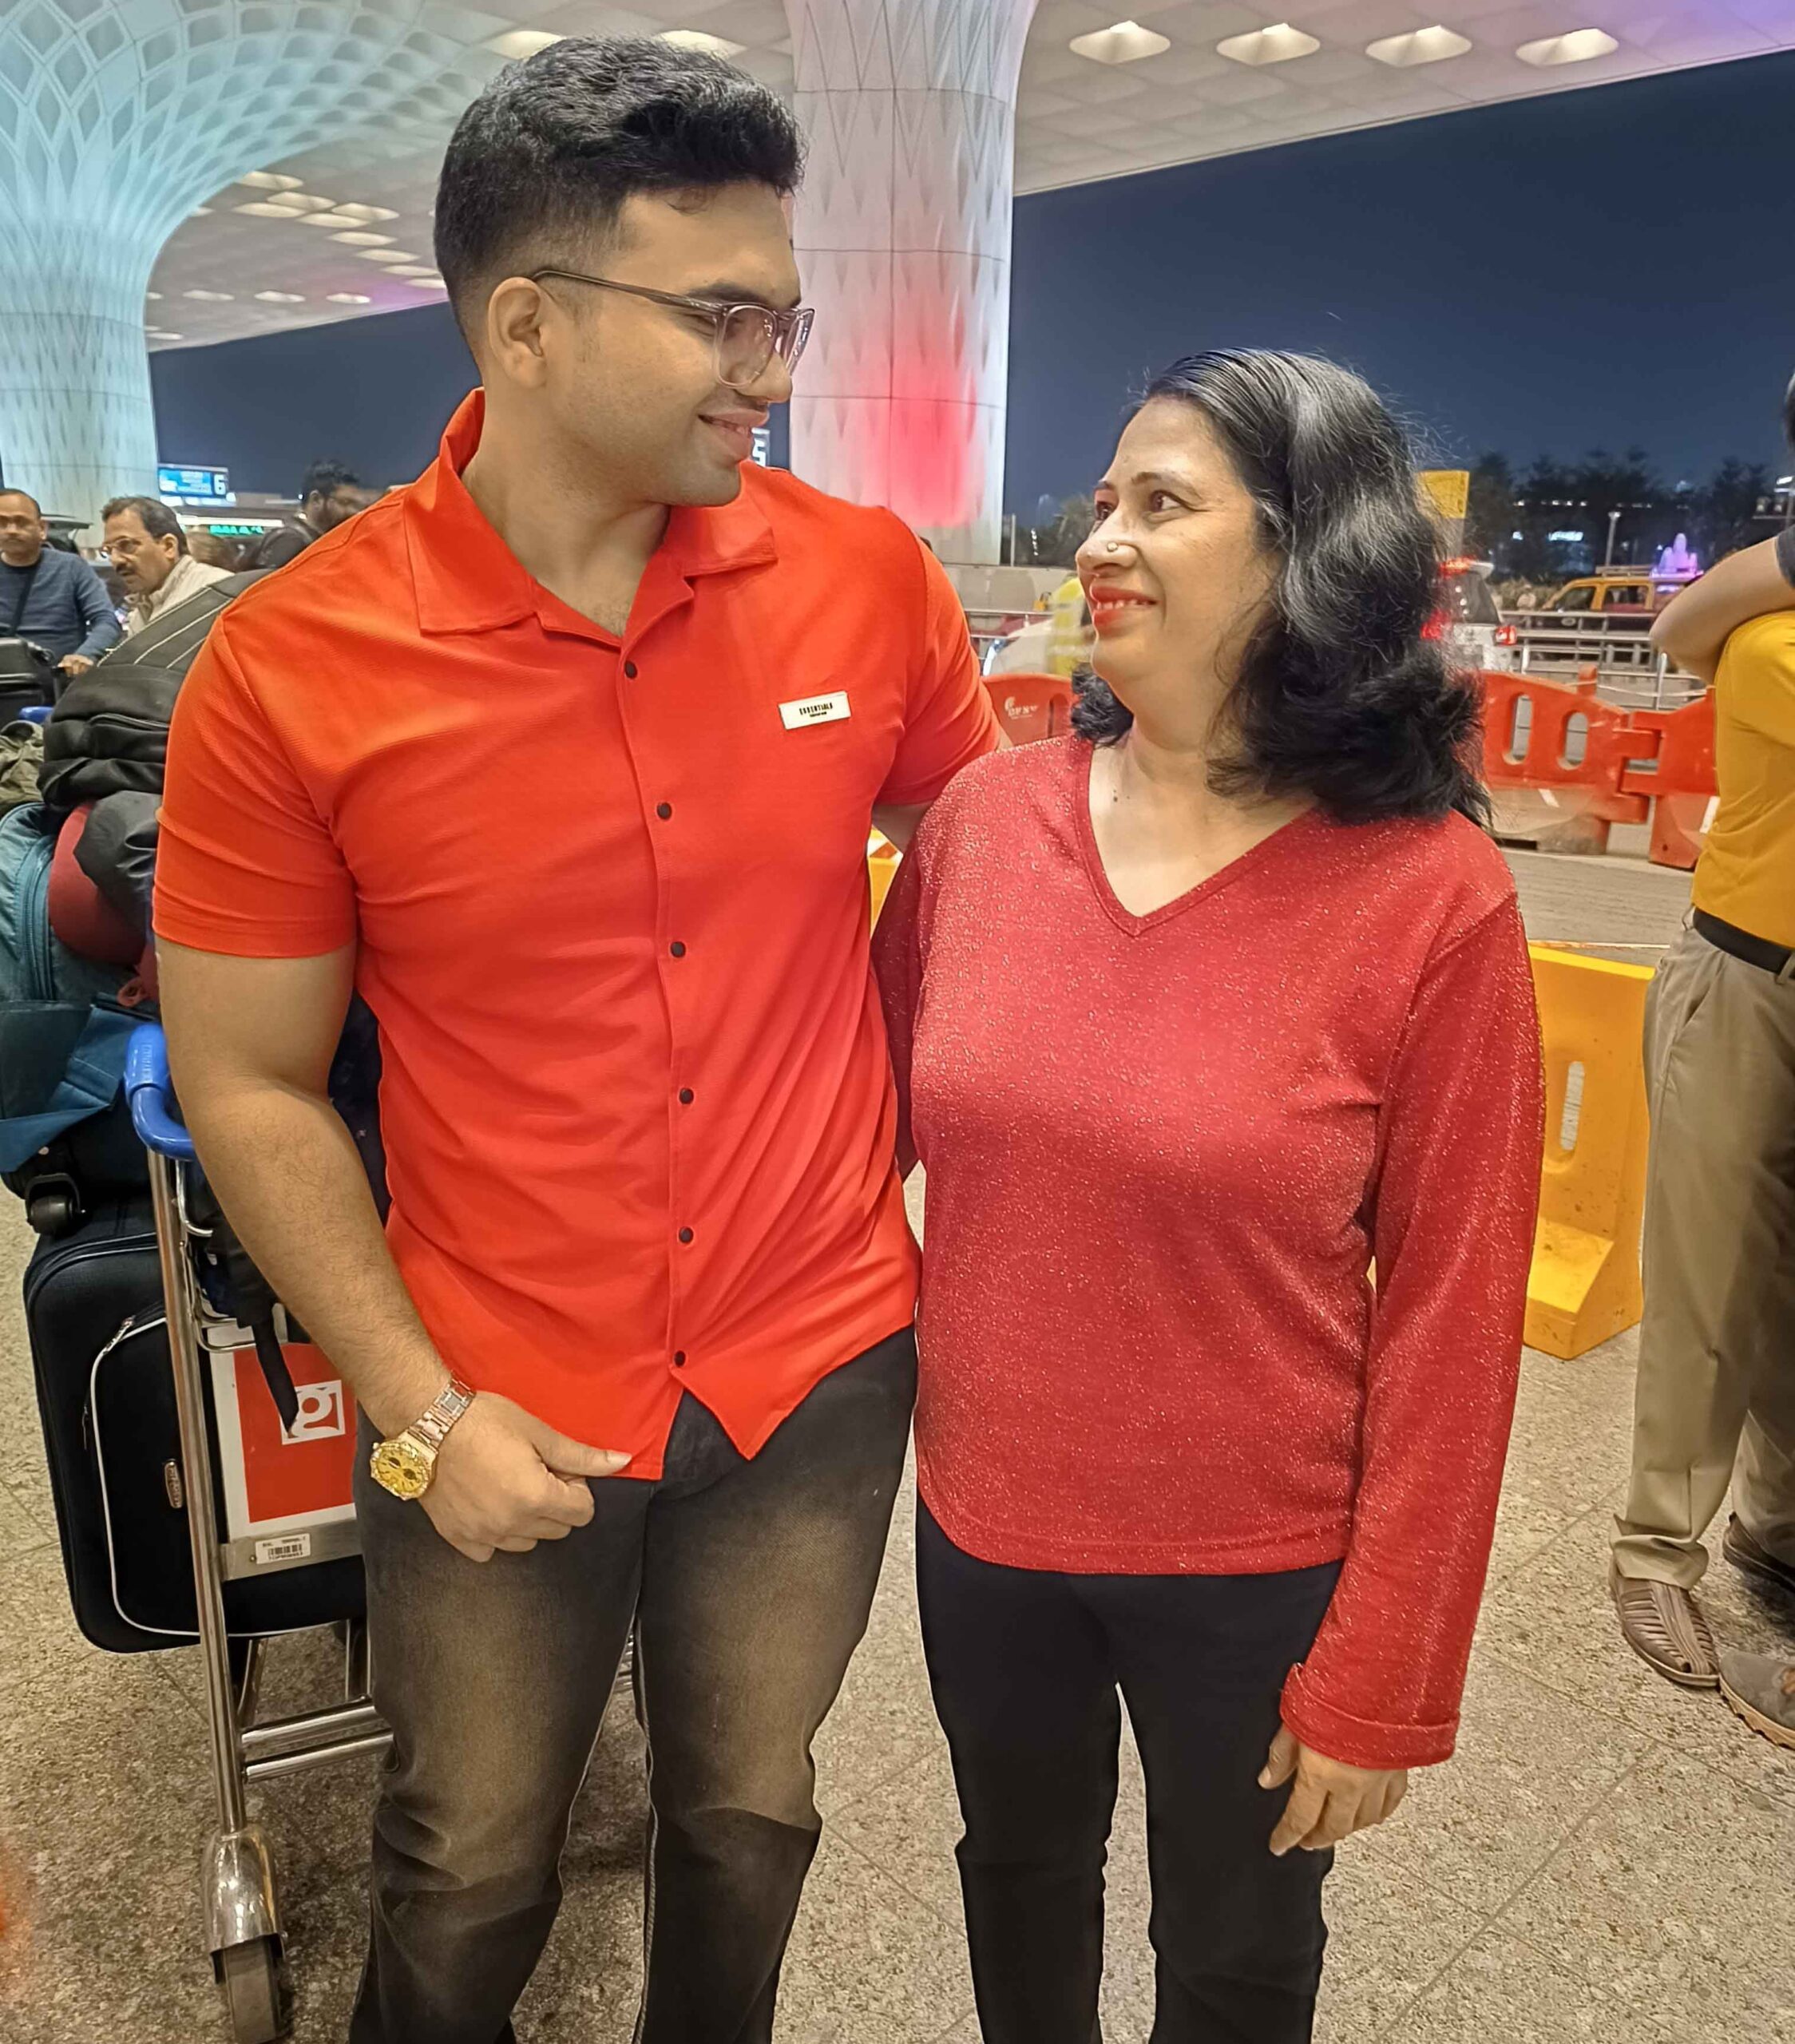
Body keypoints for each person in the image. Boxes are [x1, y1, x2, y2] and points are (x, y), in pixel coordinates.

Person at [153, 35, 998, 2044]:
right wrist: (418, 1403)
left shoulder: (865, 582)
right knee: (467, 1852)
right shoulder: (293, 664)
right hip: (494, 1373)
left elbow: (1003, 874)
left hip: (814, 1365)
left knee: (746, 1811)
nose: (767, 365)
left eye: (783, 314)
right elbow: (248, 1076)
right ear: (523, 321)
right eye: (720, 314)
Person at [874, 350, 1545, 2043]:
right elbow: (841, 1130)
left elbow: (1459, 1307)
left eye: (1160, 504)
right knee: (1015, 1880)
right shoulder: (982, 823)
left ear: (1307, 551)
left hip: (1252, 1555)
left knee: (1235, 1958)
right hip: (985, 1525)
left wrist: (1386, 1664)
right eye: (1101, 502)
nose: (1099, 540)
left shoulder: (1427, 895)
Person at [1610, 369, 1795, 1739]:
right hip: (1741, 974)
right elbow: (1676, 624)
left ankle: (1772, 1532)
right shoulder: (1759, 598)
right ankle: (1652, 1551)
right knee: (1704, 1282)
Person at [0, 487, 120, 678]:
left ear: (42, 528)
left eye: (21, 523)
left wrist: (83, 655)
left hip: (60, 683)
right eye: (2, 523)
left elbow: (106, 621)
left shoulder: (73, 568)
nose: (11, 530)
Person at [101, 497, 234, 638]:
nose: (115, 560)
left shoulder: (220, 592)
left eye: (126, 545)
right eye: (109, 551)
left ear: (168, 546)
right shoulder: (142, 610)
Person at [244, 458, 379, 568]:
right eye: (345, 502)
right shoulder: (291, 541)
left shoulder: (311, 539)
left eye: (356, 505)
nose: (353, 512)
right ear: (316, 499)